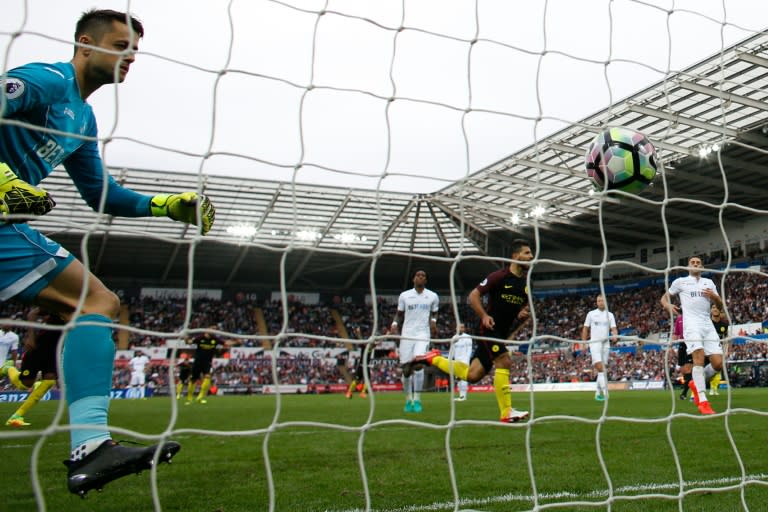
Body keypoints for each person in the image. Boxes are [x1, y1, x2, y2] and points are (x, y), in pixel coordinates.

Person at [0, 9, 215, 496]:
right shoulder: (44, 80)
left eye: (135, 50)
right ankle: (91, 446)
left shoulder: (82, 116)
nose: (130, 57)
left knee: (95, 301)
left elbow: (102, 196)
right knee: (95, 300)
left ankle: (92, 447)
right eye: (120, 46)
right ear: (85, 43)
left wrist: (166, 205)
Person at [415, 239, 533, 423]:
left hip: (500, 335)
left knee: (473, 375)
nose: (531, 257)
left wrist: (521, 315)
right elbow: (473, 295)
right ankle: (506, 412)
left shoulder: (525, 285)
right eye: (527, 253)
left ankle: (433, 358)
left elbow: (520, 312)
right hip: (488, 330)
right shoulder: (499, 276)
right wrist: (484, 316)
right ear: (515, 256)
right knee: (504, 361)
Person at [660, 256, 724, 415]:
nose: (695, 264)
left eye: (698, 263)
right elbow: (664, 298)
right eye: (693, 263)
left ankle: (696, 382)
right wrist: (667, 305)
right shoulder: (680, 282)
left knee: (718, 364)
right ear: (688, 266)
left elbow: (720, 306)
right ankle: (702, 401)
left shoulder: (708, 283)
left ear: (702, 267)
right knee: (699, 358)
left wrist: (714, 297)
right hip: (691, 324)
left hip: (707, 325)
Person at [390, 269, 439, 413]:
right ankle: (408, 400)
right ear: (413, 279)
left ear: (426, 280)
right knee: (406, 370)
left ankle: (417, 400)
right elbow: (399, 314)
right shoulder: (404, 296)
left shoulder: (432, 296)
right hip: (407, 334)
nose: (420, 277)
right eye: (418, 275)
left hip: (423, 334)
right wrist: (394, 324)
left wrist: (434, 321)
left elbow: (435, 311)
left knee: (418, 365)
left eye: (423, 276)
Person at [2, 308, 62, 427]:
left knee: (49, 381)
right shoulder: (55, 305)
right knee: (25, 385)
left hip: (53, 351)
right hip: (38, 348)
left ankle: (17, 415)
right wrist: (30, 337)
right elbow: (32, 313)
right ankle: (8, 369)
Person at [581, 294, 619, 401]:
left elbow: (614, 328)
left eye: (602, 301)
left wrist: (615, 335)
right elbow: (585, 329)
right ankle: (606, 393)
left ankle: (597, 394)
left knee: (602, 370)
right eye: (598, 301)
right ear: (596, 302)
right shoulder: (591, 314)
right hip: (594, 343)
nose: (600, 302)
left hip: (606, 344)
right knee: (600, 368)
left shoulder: (610, 315)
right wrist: (583, 343)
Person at [185, 327, 232, 404]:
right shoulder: (200, 338)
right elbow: (189, 342)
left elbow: (226, 343)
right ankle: (189, 399)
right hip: (197, 361)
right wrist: (186, 339)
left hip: (207, 362)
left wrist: (236, 342)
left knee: (207, 377)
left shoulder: (215, 339)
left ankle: (200, 397)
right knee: (193, 380)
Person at [708, 304, 729, 395]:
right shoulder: (707, 323)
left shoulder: (724, 324)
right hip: (707, 350)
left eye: (717, 307)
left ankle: (713, 388)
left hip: (718, 350)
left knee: (717, 370)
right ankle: (698, 389)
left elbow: (726, 339)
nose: (715, 309)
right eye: (713, 307)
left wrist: (726, 351)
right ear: (710, 310)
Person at [451, 323, 473, 402]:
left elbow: (469, 351)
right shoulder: (454, 338)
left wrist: (466, 361)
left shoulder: (468, 337)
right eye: (460, 327)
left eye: (463, 327)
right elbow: (452, 351)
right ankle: (461, 395)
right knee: (458, 379)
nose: (461, 328)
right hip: (456, 361)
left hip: (464, 361)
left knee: (463, 378)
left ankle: (463, 396)